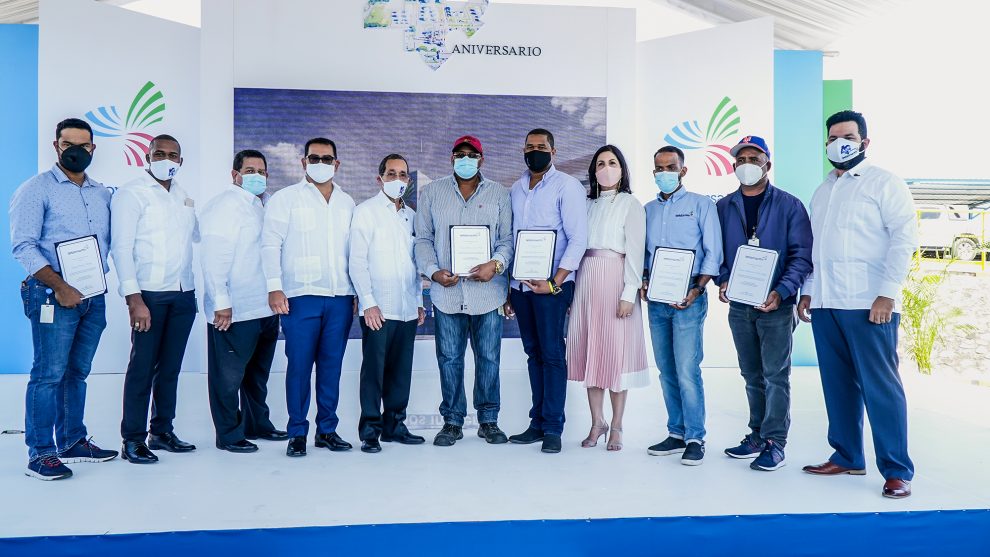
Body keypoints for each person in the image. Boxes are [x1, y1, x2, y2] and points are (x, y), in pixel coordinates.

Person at [798, 111, 917, 499]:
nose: (840, 144)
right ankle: (847, 455)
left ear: (865, 142)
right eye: (833, 138)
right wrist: (809, 291)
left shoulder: (883, 182)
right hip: (826, 303)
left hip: (869, 302)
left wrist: (888, 292)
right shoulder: (823, 190)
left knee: (880, 387)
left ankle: (896, 470)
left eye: (848, 137)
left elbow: (904, 238)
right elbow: (816, 248)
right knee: (837, 385)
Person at [9, 118, 118, 480]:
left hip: (93, 295)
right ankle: (40, 453)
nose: (76, 151)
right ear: (56, 146)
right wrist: (59, 286)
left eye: (83, 145)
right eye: (68, 144)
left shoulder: (102, 193)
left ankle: (72, 441)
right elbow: (23, 246)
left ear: (93, 149)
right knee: (48, 374)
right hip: (51, 295)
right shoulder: (36, 189)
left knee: (77, 372)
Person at [715, 135, 812, 471]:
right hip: (740, 306)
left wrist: (782, 291)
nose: (747, 165)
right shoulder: (724, 207)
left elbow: (802, 256)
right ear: (733, 166)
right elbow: (717, 253)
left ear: (767, 164)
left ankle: (775, 442)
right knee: (751, 374)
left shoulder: (790, 206)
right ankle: (756, 435)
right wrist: (723, 279)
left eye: (754, 159)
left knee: (776, 376)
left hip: (776, 307)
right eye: (741, 160)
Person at [413, 135, 513, 447]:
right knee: (449, 359)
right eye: (460, 154)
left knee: (489, 359)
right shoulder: (432, 193)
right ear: (452, 158)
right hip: (447, 294)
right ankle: (453, 422)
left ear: (482, 159)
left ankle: (489, 420)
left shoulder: (499, 193)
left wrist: (495, 264)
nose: (466, 159)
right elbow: (422, 239)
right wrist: (433, 272)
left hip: (488, 293)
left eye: (472, 154)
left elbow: (507, 240)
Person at [262, 137, 355, 458]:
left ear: (336, 164)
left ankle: (326, 430)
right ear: (303, 162)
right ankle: (297, 432)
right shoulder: (286, 199)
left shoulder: (347, 203)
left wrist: (356, 291)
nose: (320, 164)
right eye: (314, 158)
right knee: (299, 366)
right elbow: (270, 244)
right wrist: (274, 286)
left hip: (340, 297)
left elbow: (354, 252)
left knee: (331, 367)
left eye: (327, 159)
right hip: (300, 296)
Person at [112, 134, 199, 464]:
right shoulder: (131, 194)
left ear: (180, 161)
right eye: (159, 153)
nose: (166, 159)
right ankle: (133, 439)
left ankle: (161, 432)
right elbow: (121, 249)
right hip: (149, 294)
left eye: (172, 155)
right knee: (142, 368)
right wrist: (134, 298)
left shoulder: (183, 195)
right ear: (147, 158)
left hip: (183, 293)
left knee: (170, 369)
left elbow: (195, 238)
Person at [504, 129, 588, 454]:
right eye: (529, 147)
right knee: (533, 353)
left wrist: (555, 282)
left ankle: (553, 427)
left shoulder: (567, 186)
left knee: (552, 354)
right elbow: (512, 238)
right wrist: (510, 287)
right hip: (521, 286)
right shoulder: (516, 188)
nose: (534, 151)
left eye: (541, 147)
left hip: (552, 287)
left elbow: (578, 239)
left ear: (554, 151)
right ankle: (536, 423)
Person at [199, 149, 288, 454]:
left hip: (264, 306)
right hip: (234, 309)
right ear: (235, 174)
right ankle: (228, 434)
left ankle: (257, 424)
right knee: (228, 377)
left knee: (256, 375)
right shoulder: (224, 206)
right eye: (250, 171)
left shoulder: (263, 206)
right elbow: (213, 258)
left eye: (261, 171)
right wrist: (221, 302)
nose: (257, 176)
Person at [642, 146, 722, 466]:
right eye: (659, 168)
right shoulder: (647, 210)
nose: (664, 173)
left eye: (670, 167)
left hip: (689, 296)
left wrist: (698, 289)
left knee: (687, 370)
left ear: (683, 171)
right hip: (657, 298)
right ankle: (676, 433)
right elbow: (644, 254)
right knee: (666, 370)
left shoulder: (701, 205)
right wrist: (644, 281)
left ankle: (695, 437)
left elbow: (713, 252)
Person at [566, 145, 648, 452]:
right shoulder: (586, 204)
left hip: (616, 281)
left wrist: (629, 293)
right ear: (593, 171)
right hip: (587, 280)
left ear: (622, 169)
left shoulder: (630, 204)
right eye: (600, 163)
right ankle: (596, 421)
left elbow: (635, 252)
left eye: (612, 162)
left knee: (616, 356)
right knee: (591, 352)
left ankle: (617, 425)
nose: (606, 168)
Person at [349, 154, 427, 453]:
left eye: (403, 174)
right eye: (391, 174)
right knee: (374, 371)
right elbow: (357, 262)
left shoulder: (412, 216)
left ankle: (395, 426)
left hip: (407, 307)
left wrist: (418, 301)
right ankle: (370, 431)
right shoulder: (365, 212)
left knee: (400, 371)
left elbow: (414, 263)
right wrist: (368, 303)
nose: (398, 179)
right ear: (379, 178)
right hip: (378, 309)